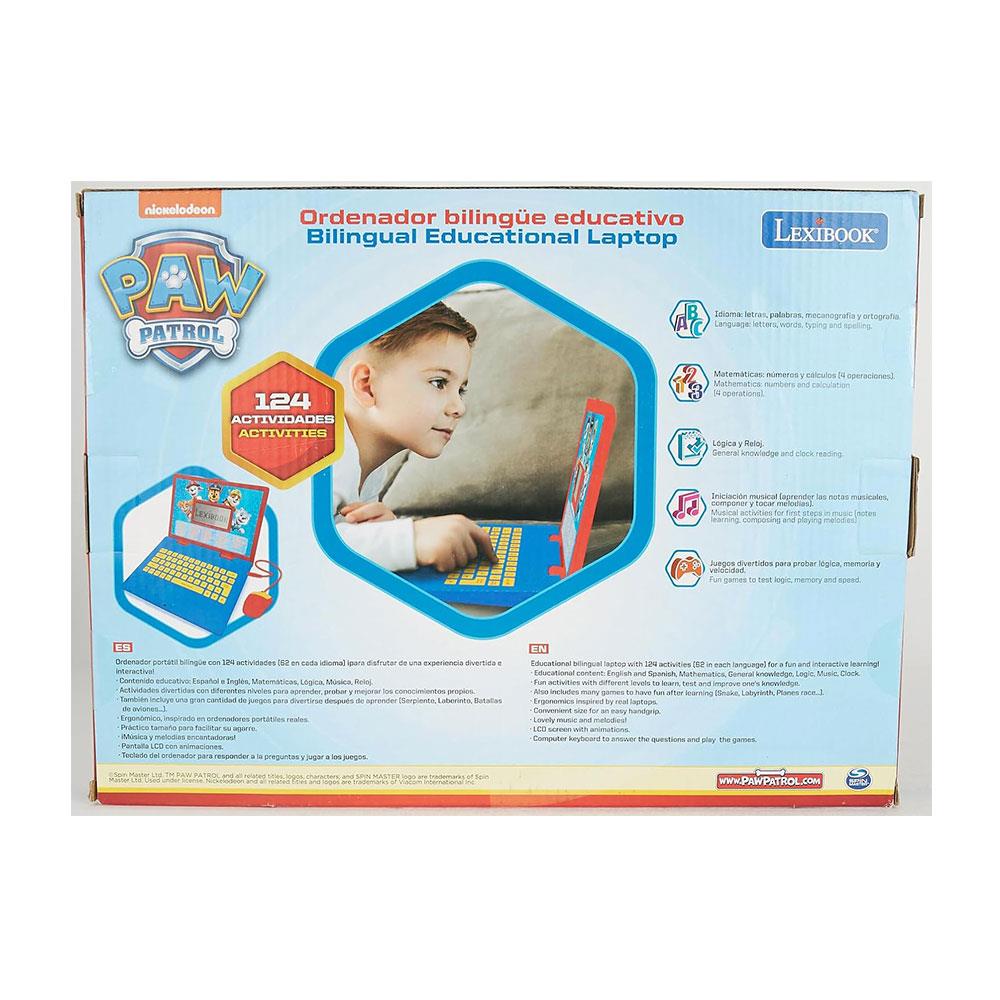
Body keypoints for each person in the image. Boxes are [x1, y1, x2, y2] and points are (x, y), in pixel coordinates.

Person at [333, 302, 497, 573]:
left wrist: (378, 534)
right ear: (367, 386)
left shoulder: (372, 468)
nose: (459, 407)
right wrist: (407, 540)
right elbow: (285, 548)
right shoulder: (318, 450)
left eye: (461, 390)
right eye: (439, 383)